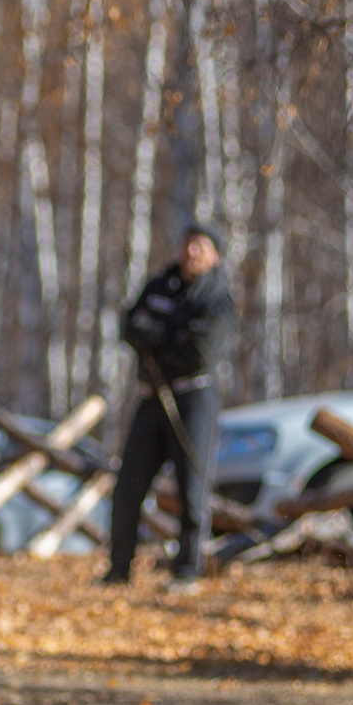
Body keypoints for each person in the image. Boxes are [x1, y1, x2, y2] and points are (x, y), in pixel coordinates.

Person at [105, 225, 235, 589]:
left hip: (195, 399)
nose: (192, 253)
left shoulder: (217, 299)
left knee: (192, 487)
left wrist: (157, 339)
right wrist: (172, 336)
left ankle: (187, 571)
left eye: (201, 247)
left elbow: (201, 352)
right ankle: (118, 569)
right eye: (188, 244)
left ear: (214, 257)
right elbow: (130, 326)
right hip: (152, 398)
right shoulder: (160, 285)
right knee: (128, 484)